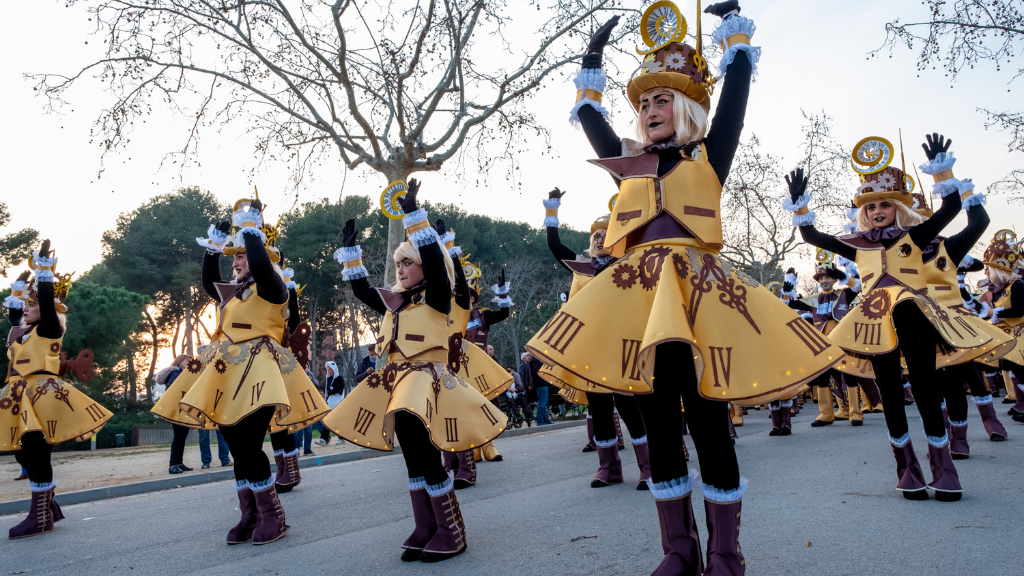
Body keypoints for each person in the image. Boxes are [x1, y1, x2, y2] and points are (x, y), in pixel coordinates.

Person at [527, 4, 840, 573]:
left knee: (708, 424)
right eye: (643, 102)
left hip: (700, 304)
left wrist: (735, 32)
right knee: (659, 428)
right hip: (637, 307)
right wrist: (591, 61)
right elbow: (592, 115)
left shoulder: (709, 161)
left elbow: (736, 105)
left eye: (662, 99)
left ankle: (725, 551)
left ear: (688, 107)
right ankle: (679, 549)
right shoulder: (627, 167)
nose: (650, 110)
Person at [784, 133, 989, 502]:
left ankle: (944, 469)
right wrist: (800, 205)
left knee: (927, 389)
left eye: (885, 204)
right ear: (863, 212)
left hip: (915, 314)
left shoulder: (916, 234)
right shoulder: (855, 243)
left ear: (898, 206)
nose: (877, 211)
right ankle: (907, 470)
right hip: (874, 323)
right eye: (871, 206)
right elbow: (812, 235)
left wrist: (943, 172)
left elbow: (951, 210)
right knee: (892, 395)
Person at [324, 180, 506, 562]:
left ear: (423, 265)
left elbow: (439, 268)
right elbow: (361, 292)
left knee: (424, 452)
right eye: (398, 263)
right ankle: (426, 525)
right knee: (410, 454)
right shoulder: (395, 304)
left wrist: (413, 215)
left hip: (427, 380)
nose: (401, 269)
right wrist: (349, 253)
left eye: (407, 262)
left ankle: (451, 531)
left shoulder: (439, 297)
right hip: (396, 380)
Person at [179, 195, 322, 544]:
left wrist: (251, 228)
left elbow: (260, 263)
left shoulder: (274, 288)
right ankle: (251, 514)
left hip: (262, 371)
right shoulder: (234, 292)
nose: (237, 261)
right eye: (236, 256)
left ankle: (273, 515)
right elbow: (208, 280)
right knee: (232, 438)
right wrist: (213, 246)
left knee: (246, 442)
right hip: (227, 371)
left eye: (241, 255)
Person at [540, 190, 651, 489]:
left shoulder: (628, 266)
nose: (600, 239)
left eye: (606, 235)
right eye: (595, 237)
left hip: (622, 349)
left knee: (628, 406)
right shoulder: (580, 266)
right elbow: (553, 244)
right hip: (589, 351)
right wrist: (552, 211)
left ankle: (648, 467)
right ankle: (609, 468)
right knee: (599, 409)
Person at [2, 242, 114, 538]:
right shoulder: (22, 333)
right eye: (26, 305)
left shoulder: (49, 328)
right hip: (18, 396)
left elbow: (47, 306)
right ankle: (48, 509)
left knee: (37, 455)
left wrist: (44, 275)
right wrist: (17, 293)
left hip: (43, 396)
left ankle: (39, 517)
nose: (26, 309)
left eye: (31, 305)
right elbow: (14, 316)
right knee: (23, 454)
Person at [157, 355, 196, 474]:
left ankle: (179, 462)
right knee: (179, 435)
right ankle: (173, 464)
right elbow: (176, 389)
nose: (189, 363)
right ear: (180, 361)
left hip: (180, 409)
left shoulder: (178, 372)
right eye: (187, 361)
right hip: (177, 409)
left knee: (182, 435)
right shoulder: (176, 372)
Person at [313, 361, 346, 446]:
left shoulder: (339, 379)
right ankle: (324, 439)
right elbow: (327, 391)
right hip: (330, 403)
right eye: (328, 369)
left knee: (337, 421)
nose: (329, 371)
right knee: (327, 421)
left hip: (338, 403)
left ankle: (341, 438)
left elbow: (340, 389)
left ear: (334, 369)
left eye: (330, 369)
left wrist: (330, 392)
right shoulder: (329, 379)